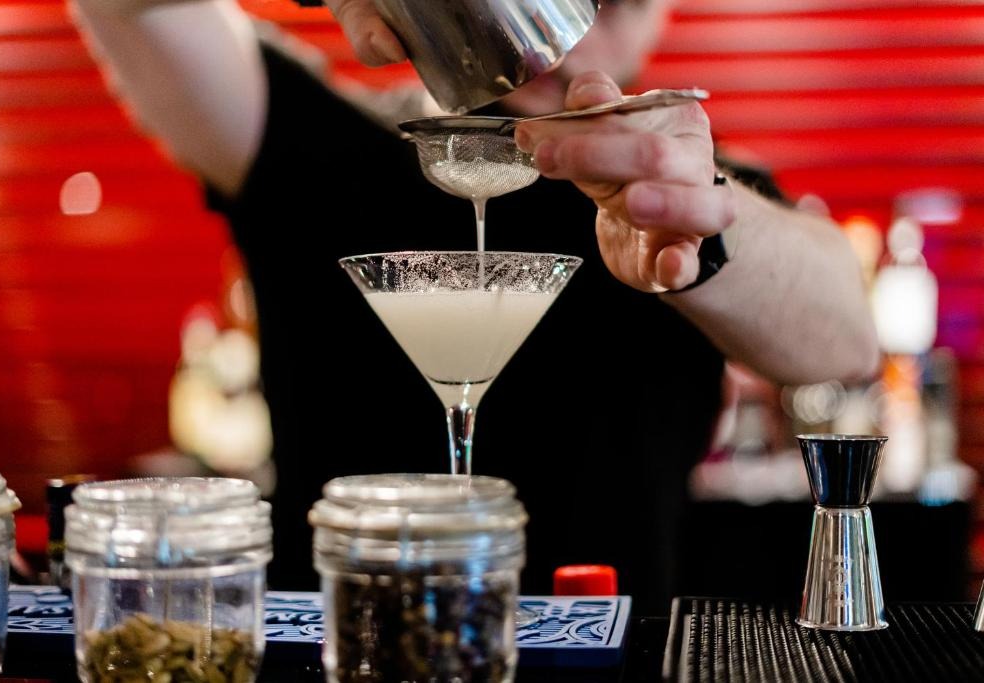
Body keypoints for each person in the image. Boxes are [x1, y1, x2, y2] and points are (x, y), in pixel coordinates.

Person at [69, 0, 879, 612]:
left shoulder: (695, 178)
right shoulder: (319, 139)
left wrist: (700, 217)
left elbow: (845, 340)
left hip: (609, 649)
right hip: (343, 643)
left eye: (611, 5)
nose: (568, 44)